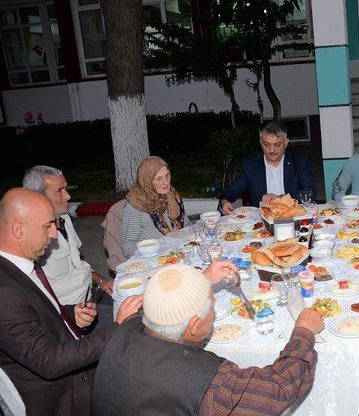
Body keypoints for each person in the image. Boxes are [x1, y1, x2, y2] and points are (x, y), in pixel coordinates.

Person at [92, 263, 325, 415]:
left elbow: (165, 303)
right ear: (193, 326)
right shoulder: (206, 382)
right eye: (211, 308)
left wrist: (199, 281)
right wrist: (304, 331)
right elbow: (278, 389)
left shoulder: (126, 328)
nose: (212, 314)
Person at [0, 188, 142, 414]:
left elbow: (33, 316)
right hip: (64, 395)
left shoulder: (20, 265)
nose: (54, 234)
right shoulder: (4, 292)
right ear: (18, 230)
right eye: (47, 226)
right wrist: (117, 327)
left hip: (69, 355)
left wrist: (69, 313)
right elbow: (50, 361)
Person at [22, 165, 114, 304]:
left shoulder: (65, 219)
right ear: (38, 197)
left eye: (66, 188)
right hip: (70, 309)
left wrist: (102, 281)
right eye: (60, 191)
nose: (68, 196)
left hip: (90, 293)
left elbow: (78, 262)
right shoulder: (32, 240)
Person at [219, 121, 316, 214]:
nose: (271, 150)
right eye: (266, 145)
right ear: (261, 142)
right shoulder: (251, 164)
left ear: (286, 143)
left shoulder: (299, 161)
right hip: (262, 221)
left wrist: (280, 199)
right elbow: (232, 190)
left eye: (277, 145)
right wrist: (224, 201)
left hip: (292, 215)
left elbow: (311, 193)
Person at [122, 156, 187, 258]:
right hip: (152, 259)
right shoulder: (135, 205)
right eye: (159, 179)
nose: (166, 182)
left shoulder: (172, 195)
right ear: (147, 181)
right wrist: (150, 251)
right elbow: (127, 246)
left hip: (178, 252)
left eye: (167, 175)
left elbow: (186, 227)